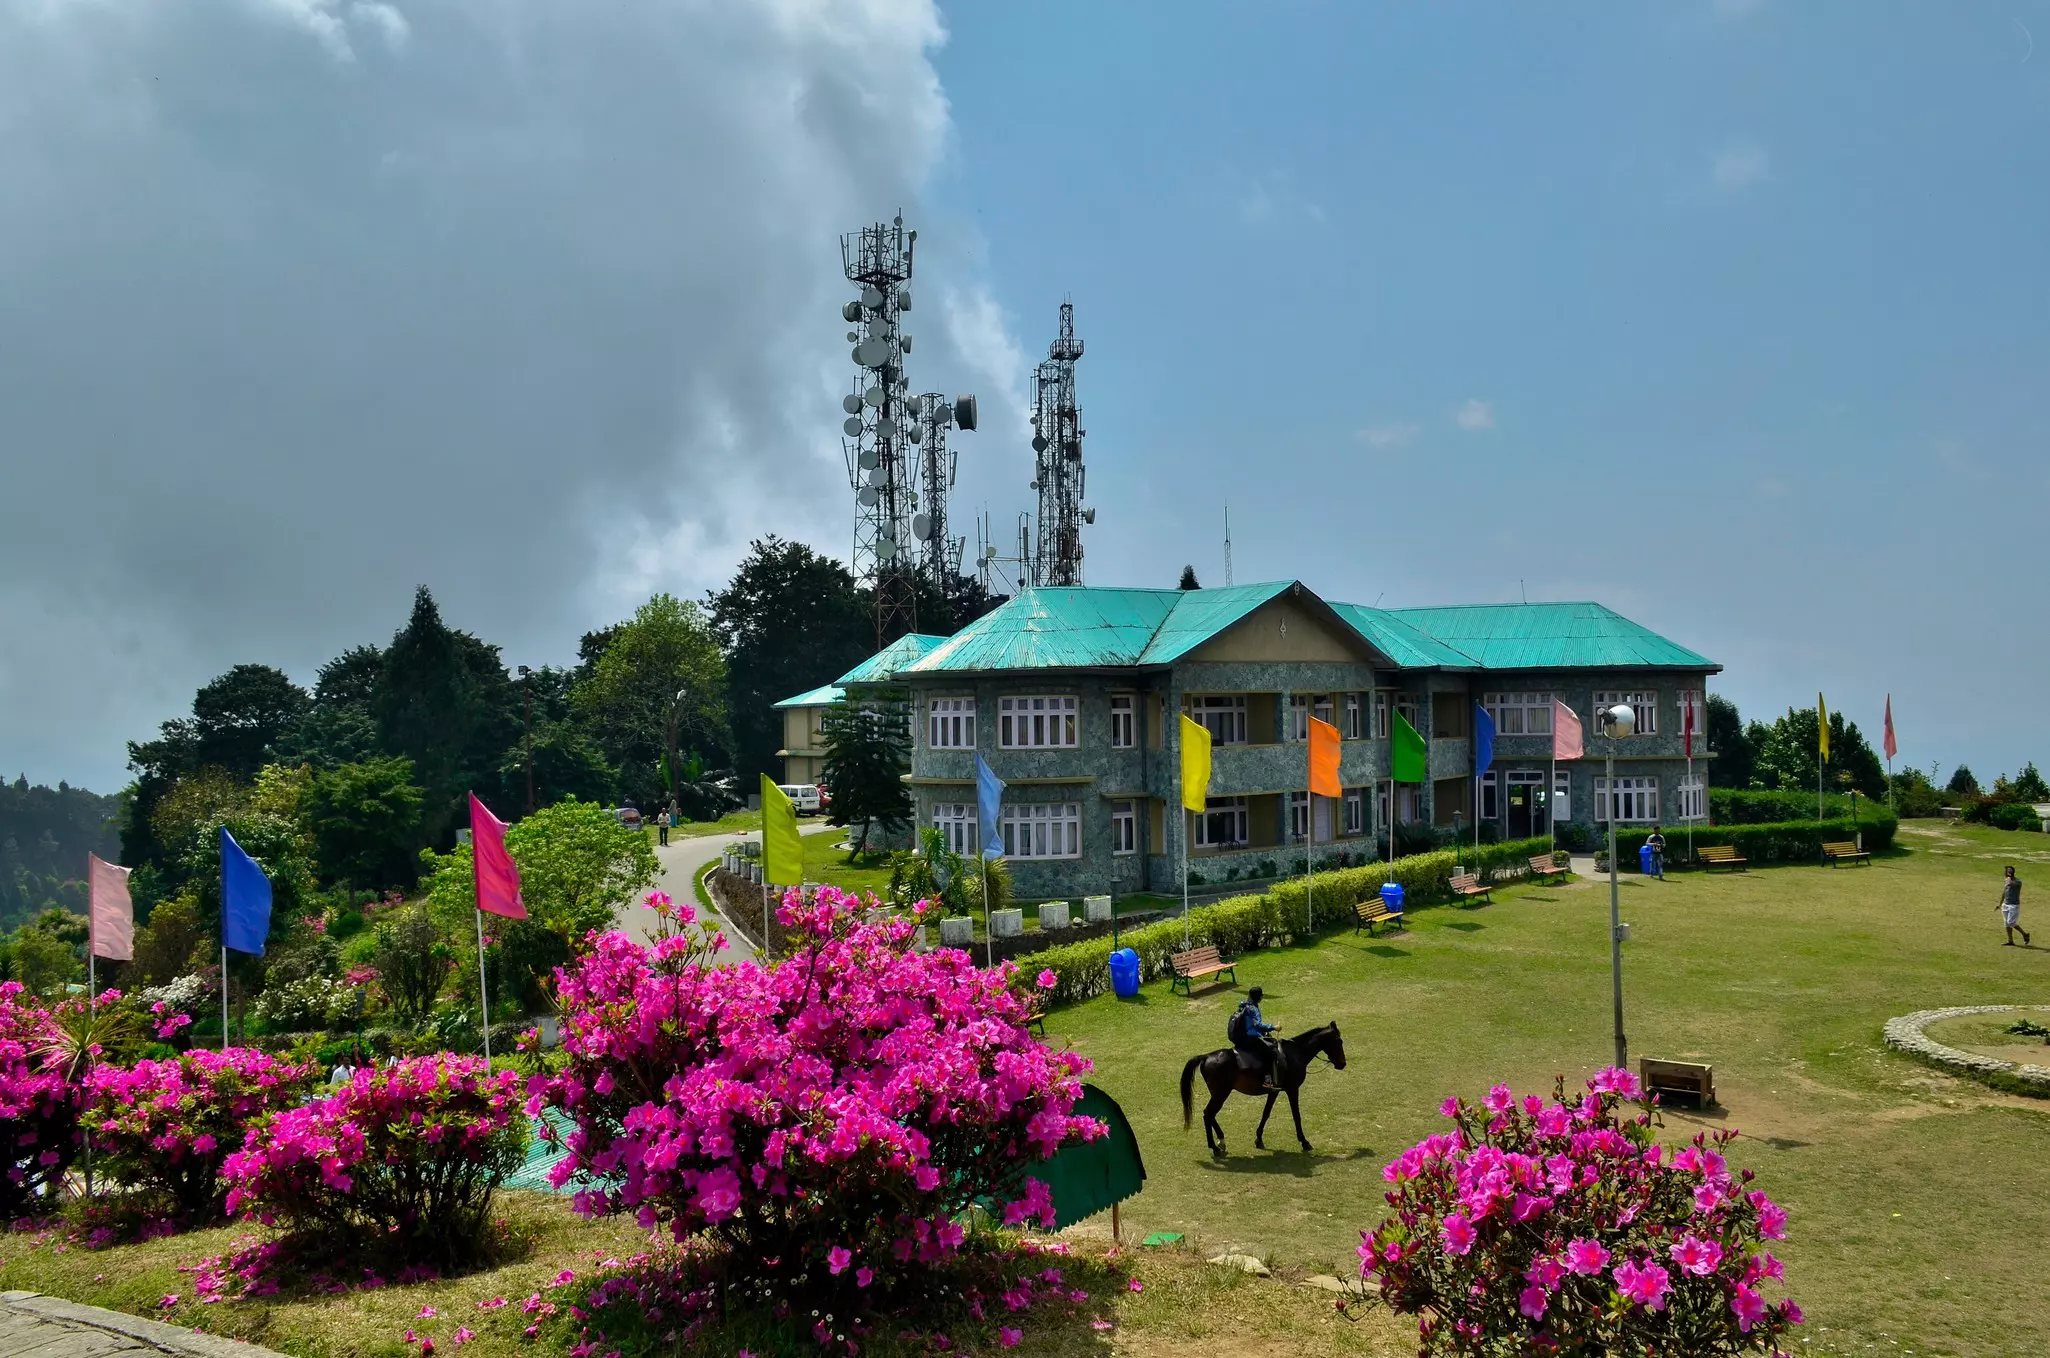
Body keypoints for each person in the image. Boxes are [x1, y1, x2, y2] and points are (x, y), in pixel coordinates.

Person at [1230, 986, 1287, 1091]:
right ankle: (1267, 1080)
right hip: (1248, 1039)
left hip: (1237, 1037)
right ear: (1260, 997)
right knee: (1271, 1051)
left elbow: (1248, 1024)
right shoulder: (1253, 1009)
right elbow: (1257, 1025)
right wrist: (1273, 1027)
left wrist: (1263, 1032)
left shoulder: (1243, 1005)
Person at [1999, 865, 2029, 946]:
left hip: (2014, 905)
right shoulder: (2006, 880)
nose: (2007, 872)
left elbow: (2010, 884)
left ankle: (2025, 934)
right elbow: (2004, 891)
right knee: (2006, 923)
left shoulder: (2018, 881)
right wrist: (2000, 903)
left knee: (2011, 922)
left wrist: (2008, 878)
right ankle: (2010, 941)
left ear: (2012, 872)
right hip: (2005, 904)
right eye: (2006, 871)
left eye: (2009, 871)